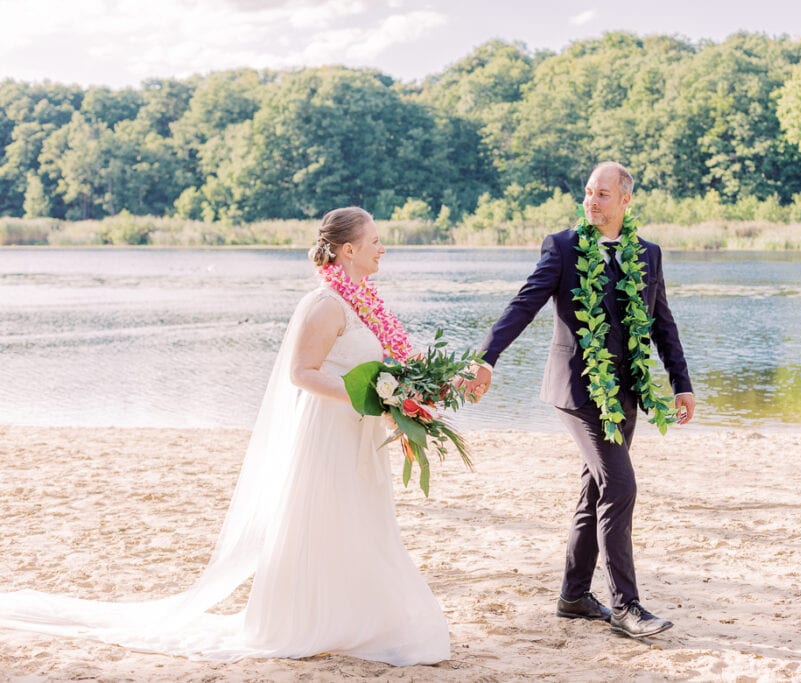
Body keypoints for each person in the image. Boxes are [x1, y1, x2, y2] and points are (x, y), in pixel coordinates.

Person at [0, 207, 450, 665]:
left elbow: (378, 365)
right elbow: (302, 373)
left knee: (364, 519)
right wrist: (372, 395)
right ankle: (319, 620)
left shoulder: (364, 304)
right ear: (348, 249)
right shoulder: (325, 304)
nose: (383, 247)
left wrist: (398, 396)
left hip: (356, 432)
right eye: (375, 240)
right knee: (331, 517)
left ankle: (363, 616)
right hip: (328, 432)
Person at [462, 162, 695, 639]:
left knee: (596, 488)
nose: (592, 201)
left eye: (603, 194)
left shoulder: (647, 254)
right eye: (589, 192)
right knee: (621, 486)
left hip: (625, 393)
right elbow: (523, 304)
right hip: (576, 389)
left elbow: (661, 323)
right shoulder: (564, 247)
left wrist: (682, 382)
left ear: (625, 200)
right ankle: (625, 606)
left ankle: (572, 596)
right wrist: (487, 357)